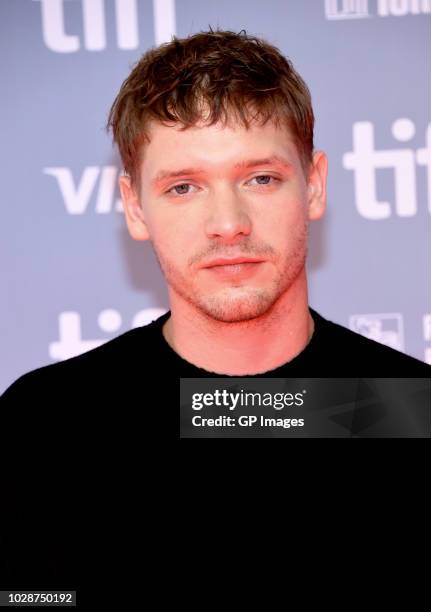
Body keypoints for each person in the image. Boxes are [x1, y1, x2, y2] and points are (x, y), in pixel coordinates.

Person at [1, 27, 430, 590]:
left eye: (261, 178)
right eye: (184, 187)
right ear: (134, 207)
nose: (229, 223)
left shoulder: (410, 411)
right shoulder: (47, 423)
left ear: (315, 187)